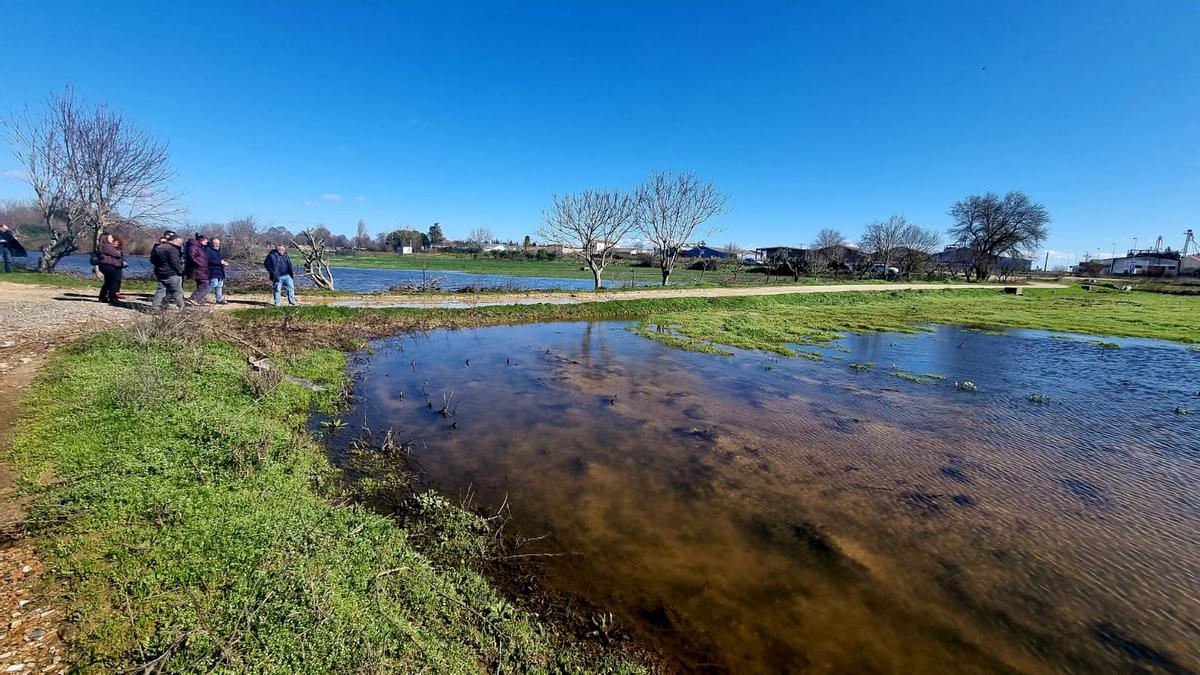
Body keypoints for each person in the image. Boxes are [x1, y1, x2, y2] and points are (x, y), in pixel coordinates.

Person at [150, 232, 185, 311]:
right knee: (177, 292)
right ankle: (182, 308)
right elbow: (175, 262)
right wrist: (181, 271)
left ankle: (155, 307)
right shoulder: (173, 249)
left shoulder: (158, 248)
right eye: (179, 242)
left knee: (160, 290)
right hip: (172, 273)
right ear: (174, 240)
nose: (180, 244)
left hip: (160, 272)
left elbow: (152, 260)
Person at [95, 232, 126, 303]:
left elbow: (120, 255)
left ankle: (103, 297)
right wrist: (118, 252)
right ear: (106, 239)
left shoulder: (112, 247)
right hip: (108, 266)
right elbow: (117, 255)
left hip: (111, 265)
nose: (112, 239)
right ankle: (112, 297)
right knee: (114, 281)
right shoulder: (106, 246)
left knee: (109, 282)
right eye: (111, 238)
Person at [184, 233, 210, 305]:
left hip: (201, 269)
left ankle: (200, 299)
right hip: (197, 269)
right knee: (205, 282)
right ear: (201, 240)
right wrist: (199, 264)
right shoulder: (193, 246)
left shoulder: (200, 247)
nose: (206, 242)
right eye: (205, 240)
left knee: (200, 284)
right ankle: (193, 298)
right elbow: (191, 257)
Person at [206, 237, 230, 304]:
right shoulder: (208, 250)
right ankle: (201, 296)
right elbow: (208, 260)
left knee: (220, 285)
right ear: (211, 243)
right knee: (213, 284)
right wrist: (220, 262)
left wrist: (224, 263)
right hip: (212, 270)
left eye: (218, 243)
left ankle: (219, 300)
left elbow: (222, 259)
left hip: (220, 270)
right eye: (215, 243)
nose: (217, 244)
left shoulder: (220, 250)